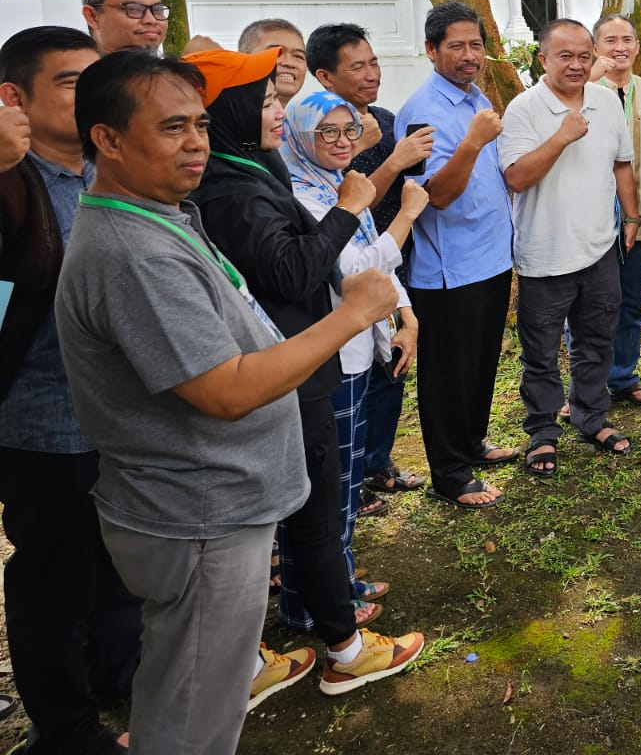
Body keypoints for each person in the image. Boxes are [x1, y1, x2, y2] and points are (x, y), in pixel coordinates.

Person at [53, 51, 406, 752]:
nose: (195, 143)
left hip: (214, 503)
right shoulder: (135, 251)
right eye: (172, 127)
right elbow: (225, 389)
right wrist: (351, 315)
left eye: (202, 124)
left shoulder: (165, 214)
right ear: (108, 139)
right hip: (199, 514)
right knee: (196, 717)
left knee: (191, 693)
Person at [183, 48, 424, 698]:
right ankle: (342, 643)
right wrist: (358, 204)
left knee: (320, 499)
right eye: (263, 101)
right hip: (301, 363)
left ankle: (313, 617)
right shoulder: (236, 188)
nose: (276, 110)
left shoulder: (250, 169)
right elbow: (302, 271)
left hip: (312, 360)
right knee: (318, 503)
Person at [0, 27, 139, 755]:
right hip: (44, 424)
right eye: (68, 82)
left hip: (121, 421)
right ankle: (65, 733)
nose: (88, 94)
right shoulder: (14, 186)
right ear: (13, 98)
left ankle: (118, 681)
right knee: (53, 588)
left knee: (117, 571)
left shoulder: (102, 173)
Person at [281, 93, 428, 614]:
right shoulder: (304, 194)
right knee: (328, 488)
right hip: (332, 353)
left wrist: (404, 315)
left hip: (362, 347)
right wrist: (408, 216)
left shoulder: (338, 185)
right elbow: (355, 272)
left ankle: (334, 580)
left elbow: (377, 269)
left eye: (349, 132)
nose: (342, 142)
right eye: (328, 133)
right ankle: (315, 602)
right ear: (298, 135)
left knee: (341, 483)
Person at [501, 19, 640, 474]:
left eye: (584, 55)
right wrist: (561, 135)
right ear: (542, 59)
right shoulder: (523, 109)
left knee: (596, 341)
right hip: (544, 255)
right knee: (540, 350)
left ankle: (591, 416)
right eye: (565, 56)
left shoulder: (605, 101)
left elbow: (622, 165)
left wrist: (631, 215)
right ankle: (542, 431)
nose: (577, 65)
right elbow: (517, 177)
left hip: (599, 248)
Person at [394, 1, 516, 507]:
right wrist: (471, 142)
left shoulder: (472, 96)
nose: (469, 56)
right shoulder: (424, 110)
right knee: (448, 373)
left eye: (476, 46)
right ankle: (448, 472)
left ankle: (471, 443)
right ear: (431, 50)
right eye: (456, 46)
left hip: (490, 258)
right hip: (448, 269)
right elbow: (435, 195)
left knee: (482, 362)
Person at [306, 23, 435, 501]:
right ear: (325, 76)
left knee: (393, 370)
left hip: (391, 265)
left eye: (374, 62)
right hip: (355, 271)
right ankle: (354, 478)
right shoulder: (316, 138)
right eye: (356, 66)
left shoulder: (383, 116)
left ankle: (378, 462)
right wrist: (390, 159)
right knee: (357, 382)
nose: (371, 74)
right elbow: (351, 199)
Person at [589, 13, 641, 407]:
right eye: (610, 41)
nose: (620, 48)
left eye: (627, 40)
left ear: (637, 47)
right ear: (596, 48)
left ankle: (623, 377)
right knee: (588, 305)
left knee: (630, 300)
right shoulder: (580, 90)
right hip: (590, 221)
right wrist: (587, 80)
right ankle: (585, 386)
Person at [79, 0, 169, 55]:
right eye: (133, 9)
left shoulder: (170, 70)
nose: (151, 20)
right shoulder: (76, 70)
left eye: (158, 10)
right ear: (92, 16)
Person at [241, 18, 309, 109]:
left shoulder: (313, 120)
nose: (289, 63)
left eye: (298, 56)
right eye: (277, 53)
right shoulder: (220, 119)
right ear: (243, 59)